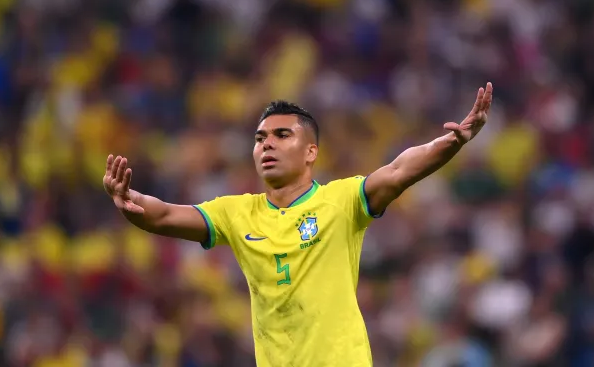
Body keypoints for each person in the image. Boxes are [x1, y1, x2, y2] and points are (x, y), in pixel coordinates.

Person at [103, 83, 494, 367]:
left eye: (280, 135)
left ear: (311, 152)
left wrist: (451, 143)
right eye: (259, 138)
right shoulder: (236, 213)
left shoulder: (340, 202)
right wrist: (128, 199)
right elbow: (167, 214)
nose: (266, 144)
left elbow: (396, 171)